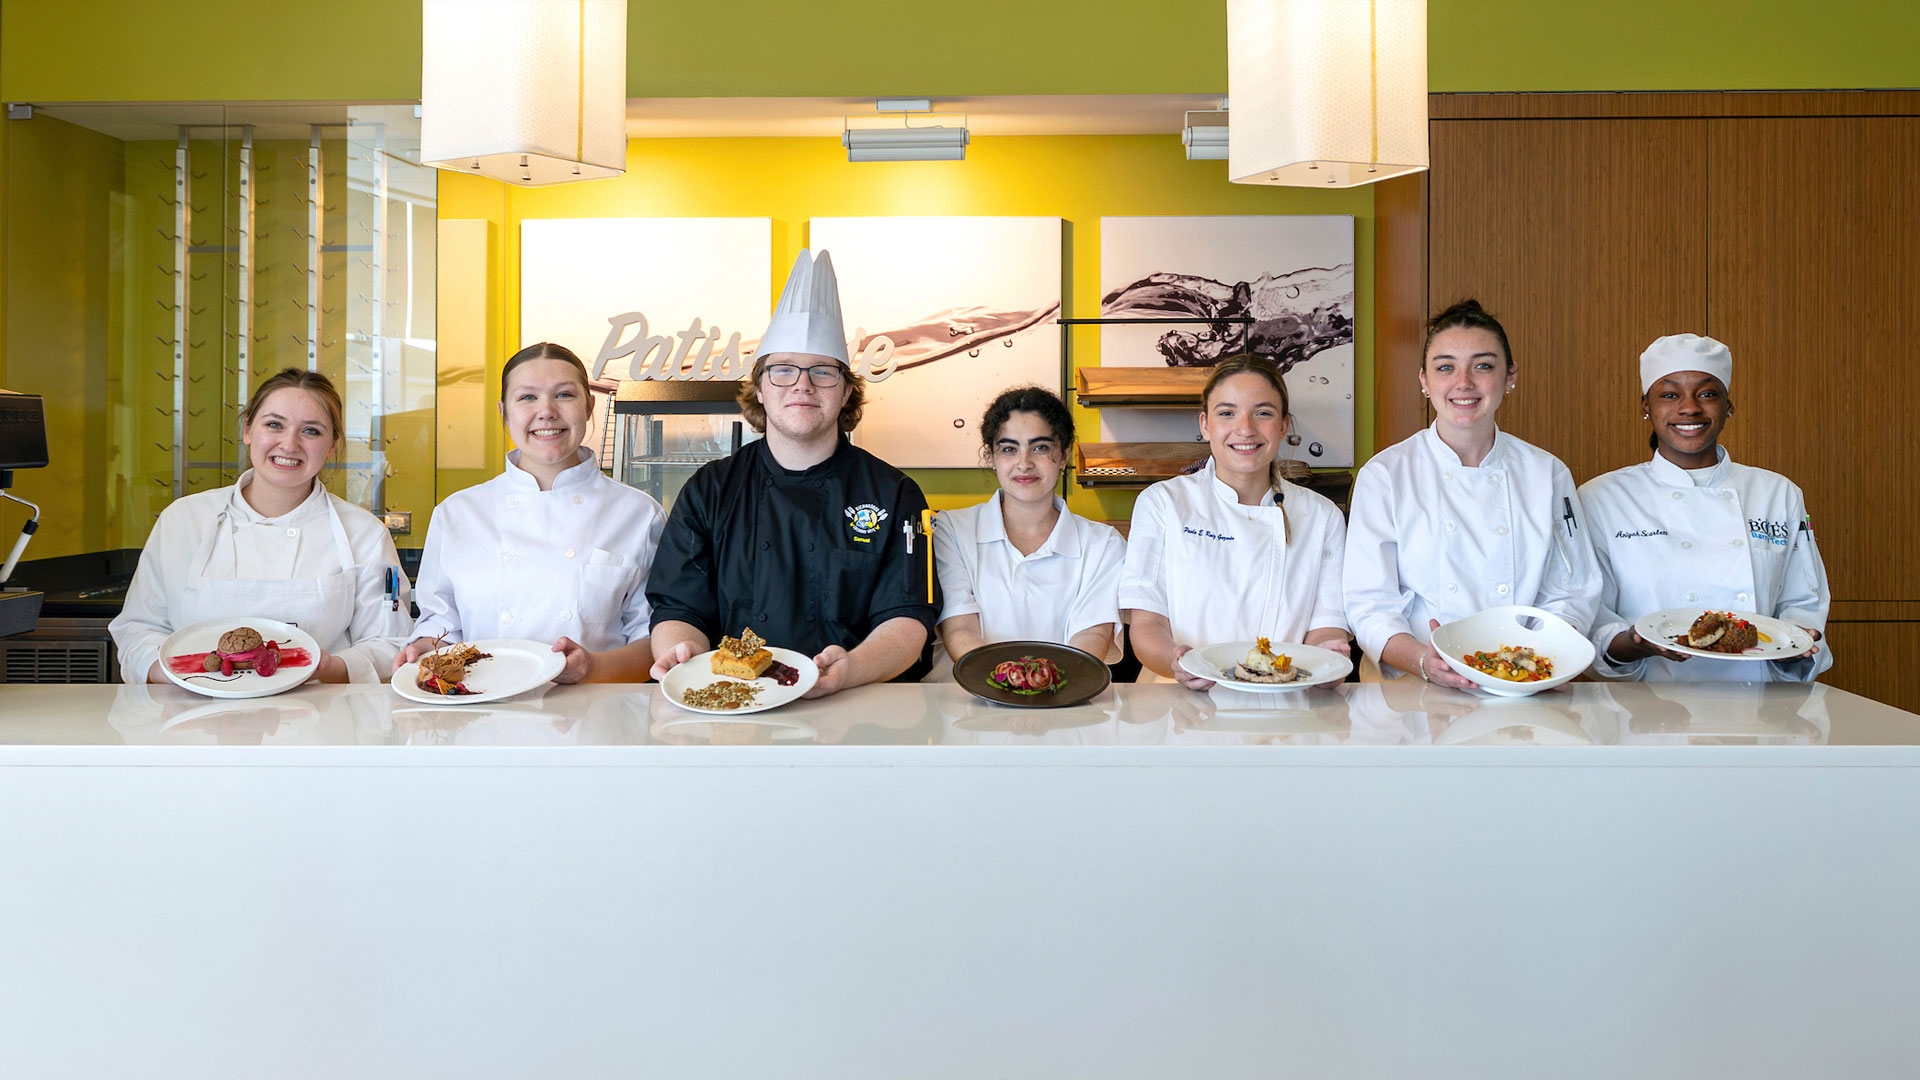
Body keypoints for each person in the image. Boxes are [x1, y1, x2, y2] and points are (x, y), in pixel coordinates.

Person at [646, 249, 939, 696]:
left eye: (822, 372)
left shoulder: (895, 493)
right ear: (760, 388)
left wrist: (850, 670)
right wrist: (682, 651)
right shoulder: (709, 490)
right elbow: (678, 606)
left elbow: (908, 617)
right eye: (783, 371)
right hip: (731, 705)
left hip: (859, 707)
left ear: (846, 393)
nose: (802, 385)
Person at [1343, 300, 1601, 688]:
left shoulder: (1547, 473)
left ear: (1510, 376)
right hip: (1412, 692)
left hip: (1527, 683)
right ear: (1424, 380)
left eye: (1483, 366)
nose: (1463, 382)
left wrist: (1542, 660)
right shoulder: (1385, 474)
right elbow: (1368, 602)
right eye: (1445, 367)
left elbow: (1574, 588)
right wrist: (1425, 663)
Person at [110, 368, 412, 684]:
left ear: (333, 444)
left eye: (311, 431)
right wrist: (185, 678)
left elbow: (389, 642)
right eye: (274, 425)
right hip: (192, 719)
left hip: (320, 719)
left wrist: (327, 668)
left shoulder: (363, 533)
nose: (289, 444)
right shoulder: (184, 520)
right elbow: (139, 628)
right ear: (248, 430)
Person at [395, 342, 665, 683]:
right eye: (527, 398)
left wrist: (591, 669)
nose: (547, 411)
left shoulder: (639, 514)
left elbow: (653, 640)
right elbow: (440, 627)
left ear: (589, 406)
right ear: (504, 412)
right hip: (482, 713)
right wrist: (421, 650)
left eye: (564, 395)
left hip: (594, 715)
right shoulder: (457, 513)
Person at [1580, 333, 1830, 680]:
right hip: (1648, 714)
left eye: (1707, 394)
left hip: (1758, 709)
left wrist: (1797, 644)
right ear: (1645, 407)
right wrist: (1638, 642)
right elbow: (1595, 623)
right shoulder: (1600, 497)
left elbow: (1803, 605)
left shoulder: (1777, 493)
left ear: (1728, 406)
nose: (1690, 408)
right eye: (1669, 395)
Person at [1119, 354, 1350, 689]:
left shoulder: (1322, 516)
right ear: (1205, 424)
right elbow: (1147, 625)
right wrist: (1176, 660)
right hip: (1179, 705)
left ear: (1284, 425)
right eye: (1227, 413)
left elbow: (1327, 627)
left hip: (1285, 704)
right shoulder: (1163, 503)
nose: (1245, 428)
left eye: (1263, 413)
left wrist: (1327, 660)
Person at [930, 386, 1125, 678]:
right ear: (992, 457)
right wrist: (1009, 684)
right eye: (1009, 449)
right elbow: (959, 629)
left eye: (1040, 447)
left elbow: (1092, 636)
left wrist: (1045, 689)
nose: (1024, 463)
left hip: (1066, 704)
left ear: (1064, 456)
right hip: (963, 705)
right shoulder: (951, 530)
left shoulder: (1104, 545)